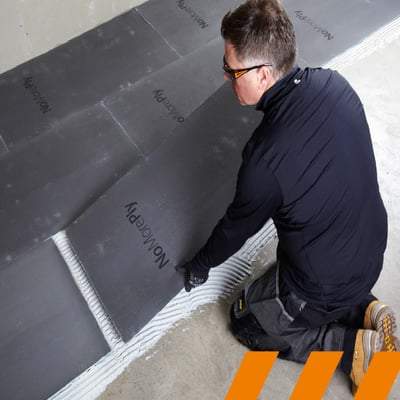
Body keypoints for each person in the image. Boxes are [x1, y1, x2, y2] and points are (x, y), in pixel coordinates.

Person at [176, 0, 399, 393]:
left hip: (321, 282)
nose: (226, 76)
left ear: (263, 74)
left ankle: (352, 348)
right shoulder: (334, 84)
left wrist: (200, 264)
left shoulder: (264, 160)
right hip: (370, 250)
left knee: (246, 321)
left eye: (232, 69)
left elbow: (235, 229)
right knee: (294, 272)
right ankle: (364, 308)